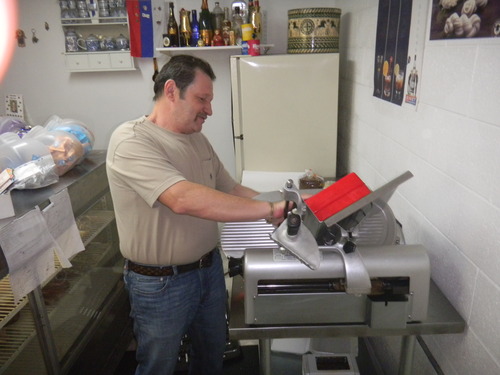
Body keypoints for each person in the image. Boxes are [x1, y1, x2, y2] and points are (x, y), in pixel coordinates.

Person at [106, 55, 286, 375]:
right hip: (160, 284)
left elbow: (230, 188)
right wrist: (267, 210)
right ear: (172, 90)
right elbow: (182, 199)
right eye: (202, 99)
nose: (209, 110)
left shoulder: (198, 140)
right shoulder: (132, 140)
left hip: (208, 272)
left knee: (211, 354)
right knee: (157, 366)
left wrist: (282, 206)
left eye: (210, 100)